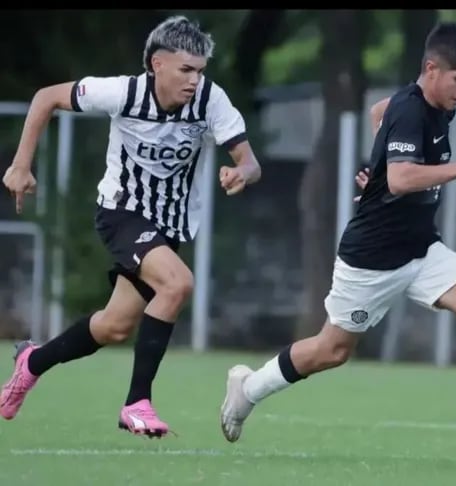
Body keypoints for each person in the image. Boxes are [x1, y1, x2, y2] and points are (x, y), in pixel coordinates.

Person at [219, 21, 456, 467]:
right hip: (372, 260)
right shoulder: (411, 109)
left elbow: (380, 116)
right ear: (432, 69)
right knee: (331, 351)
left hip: (420, 249)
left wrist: (376, 166)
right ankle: (248, 389)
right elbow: (400, 178)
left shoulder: (437, 105)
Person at [0, 15, 262, 438]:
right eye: (186, 70)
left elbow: (250, 162)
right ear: (157, 64)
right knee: (177, 285)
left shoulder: (211, 100)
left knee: (113, 326)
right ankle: (136, 403)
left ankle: (32, 362)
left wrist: (241, 174)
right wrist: (20, 164)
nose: (195, 80)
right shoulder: (123, 92)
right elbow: (46, 97)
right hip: (122, 213)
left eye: (200, 71)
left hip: (168, 227)